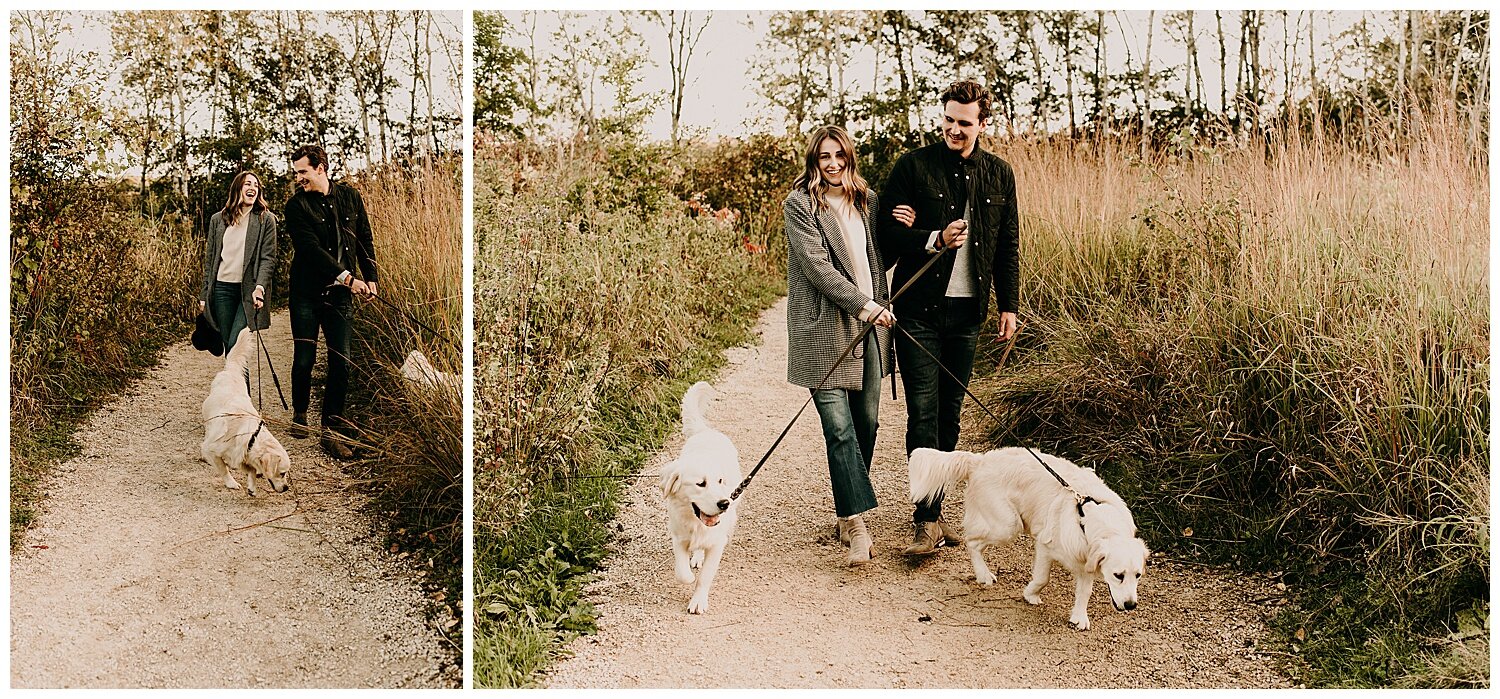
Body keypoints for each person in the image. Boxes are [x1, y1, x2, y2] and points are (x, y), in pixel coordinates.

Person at [877, 80, 1020, 556]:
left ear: (983, 123)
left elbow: (1007, 245)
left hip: (968, 314)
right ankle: (925, 520)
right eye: (948, 120)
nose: (954, 129)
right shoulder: (912, 168)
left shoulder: (999, 175)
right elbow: (885, 240)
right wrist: (932, 236)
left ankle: (935, 510)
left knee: (951, 416)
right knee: (923, 414)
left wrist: (1008, 305)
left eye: (964, 122)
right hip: (918, 312)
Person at [784, 125, 896, 566]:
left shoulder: (864, 203)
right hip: (824, 330)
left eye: (839, 156)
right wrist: (866, 305)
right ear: (814, 161)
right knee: (840, 429)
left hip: (870, 327)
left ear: (849, 159)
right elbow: (818, 268)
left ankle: (848, 506)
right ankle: (855, 521)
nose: (832, 164)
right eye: (824, 157)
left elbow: (878, 258)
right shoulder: (800, 205)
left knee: (866, 423)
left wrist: (916, 230)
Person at [284, 145, 378, 459]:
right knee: (304, 358)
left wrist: (372, 277)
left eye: (303, 172)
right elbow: (311, 250)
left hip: (339, 297)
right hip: (306, 294)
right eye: (297, 172)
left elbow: (364, 237)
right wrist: (349, 279)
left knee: (342, 360)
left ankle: (331, 425)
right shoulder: (296, 207)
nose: (298, 178)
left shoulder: (350, 197)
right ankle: (299, 413)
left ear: (321, 168)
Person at [199, 171, 277, 355]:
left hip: (248, 291)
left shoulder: (266, 220)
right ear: (237, 189)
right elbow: (210, 261)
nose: (253, 188)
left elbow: (268, 259)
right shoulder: (218, 219)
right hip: (222, 290)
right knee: (230, 348)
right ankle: (237, 385)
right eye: (247, 184)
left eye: (256, 185)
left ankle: (236, 384)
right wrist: (204, 294)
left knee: (236, 346)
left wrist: (260, 288)